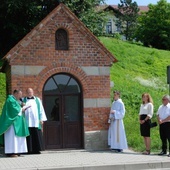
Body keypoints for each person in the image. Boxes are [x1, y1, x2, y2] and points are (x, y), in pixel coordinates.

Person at [0, 89, 29, 157]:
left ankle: (17, 151)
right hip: (12, 123)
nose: (20, 96)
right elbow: (14, 110)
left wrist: (22, 106)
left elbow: (17, 108)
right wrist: (22, 109)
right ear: (15, 93)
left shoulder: (15, 100)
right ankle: (11, 152)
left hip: (17, 122)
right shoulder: (10, 100)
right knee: (12, 137)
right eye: (20, 94)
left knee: (17, 138)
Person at [23, 88, 47, 154]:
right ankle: (29, 150)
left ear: (33, 92)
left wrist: (42, 119)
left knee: (36, 135)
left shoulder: (37, 100)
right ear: (26, 93)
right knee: (29, 136)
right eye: (28, 92)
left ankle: (37, 150)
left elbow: (41, 109)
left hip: (36, 121)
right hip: (27, 121)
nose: (29, 93)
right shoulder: (23, 100)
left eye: (30, 92)